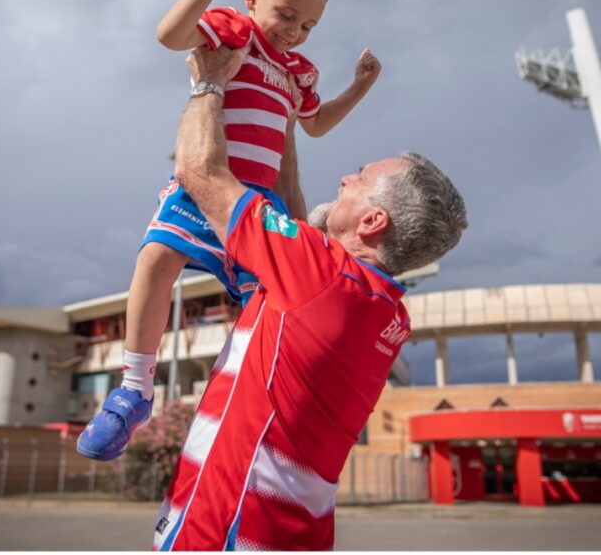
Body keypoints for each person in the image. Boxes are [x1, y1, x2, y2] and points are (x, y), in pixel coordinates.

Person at [149, 43, 467, 550]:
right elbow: (300, 225)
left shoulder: (318, 276)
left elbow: (199, 172)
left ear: (372, 222)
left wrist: (208, 81)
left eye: (359, 179)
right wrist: (285, 118)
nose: (344, 178)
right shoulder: (382, 308)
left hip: (230, 530)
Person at [78, 0, 381, 461]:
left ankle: (252, 404)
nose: (295, 30)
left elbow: (316, 125)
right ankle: (134, 388)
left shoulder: (297, 71)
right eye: (286, 14)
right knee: (155, 256)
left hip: (257, 200)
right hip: (205, 183)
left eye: (309, 25)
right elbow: (169, 34)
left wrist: (360, 86)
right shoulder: (234, 31)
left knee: (268, 304)